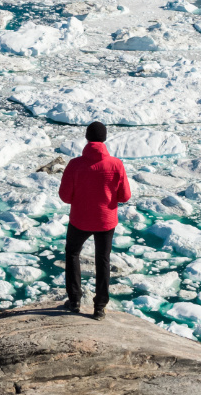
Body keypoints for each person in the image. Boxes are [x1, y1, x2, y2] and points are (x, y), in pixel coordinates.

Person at [57, 120, 131, 320]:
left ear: (87, 138)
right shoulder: (116, 165)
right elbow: (125, 196)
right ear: (105, 139)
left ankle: (74, 301)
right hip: (105, 221)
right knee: (103, 260)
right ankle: (99, 308)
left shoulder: (75, 164)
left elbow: (65, 196)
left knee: (72, 254)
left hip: (79, 219)